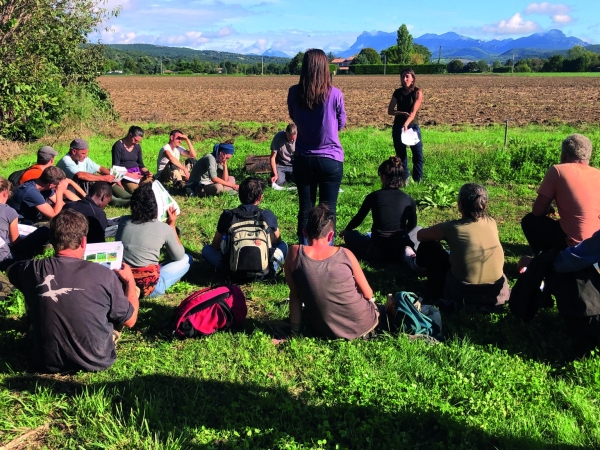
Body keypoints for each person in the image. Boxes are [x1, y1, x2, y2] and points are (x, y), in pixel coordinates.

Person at [7, 209, 139, 373]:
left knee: (32, 292)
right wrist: (130, 282)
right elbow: (131, 321)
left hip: (45, 361)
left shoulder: (31, 269)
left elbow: (11, 271)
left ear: (51, 240)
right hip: (96, 360)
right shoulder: (104, 274)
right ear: (84, 242)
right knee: (132, 295)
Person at [285, 205, 384, 340]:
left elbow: (295, 297)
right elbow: (368, 294)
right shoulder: (345, 253)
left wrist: (294, 334)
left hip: (324, 331)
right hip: (364, 324)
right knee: (396, 304)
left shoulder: (294, 253)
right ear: (331, 235)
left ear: (304, 232)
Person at [414, 183, 509, 312]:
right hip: (495, 293)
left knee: (429, 245)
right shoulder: (491, 222)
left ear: (460, 205)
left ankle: (417, 266)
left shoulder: (451, 227)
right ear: (484, 204)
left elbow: (420, 235)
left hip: (463, 293)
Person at [287, 49, 346, 244]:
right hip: (330, 158)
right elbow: (341, 123)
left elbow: (294, 118)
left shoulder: (294, 93)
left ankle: (304, 252)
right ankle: (326, 253)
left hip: (303, 157)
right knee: (329, 209)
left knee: (305, 208)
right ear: (325, 68)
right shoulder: (335, 94)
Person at [521, 134, 600, 254]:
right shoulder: (597, 174)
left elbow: (537, 211)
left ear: (563, 155)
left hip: (573, 243)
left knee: (530, 221)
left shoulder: (558, 171)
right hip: (596, 241)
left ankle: (546, 260)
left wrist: (546, 209)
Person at [116, 183, 191, 298]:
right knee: (187, 259)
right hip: (150, 287)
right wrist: (171, 225)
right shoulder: (164, 228)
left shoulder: (123, 221)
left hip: (123, 282)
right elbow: (179, 256)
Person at [341, 156, 418, 264]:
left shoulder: (374, 196)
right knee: (418, 230)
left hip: (377, 247)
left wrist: (346, 230)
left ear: (383, 177)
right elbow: (412, 225)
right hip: (399, 244)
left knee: (350, 235)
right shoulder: (409, 199)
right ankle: (407, 253)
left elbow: (358, 219)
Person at [202, 177, 287, 274]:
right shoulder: (267, 214)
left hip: (232, 270)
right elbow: (277, 241)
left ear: (239, 195)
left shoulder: (228, 215)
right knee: (283, 245)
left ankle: (225, 268)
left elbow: (215, 245)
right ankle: (270, 269)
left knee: (207, 250)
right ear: (260, 197)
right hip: (263, 270)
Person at [56, 138, 130, 207]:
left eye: (86, 153)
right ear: (74, 151)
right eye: (83, 153)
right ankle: (115, 201)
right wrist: (103, 178)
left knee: (107, 178)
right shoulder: (66, 161)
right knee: (90, 180)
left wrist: (114, 176)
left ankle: (129, 197)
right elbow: (80, 175)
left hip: (80, 188)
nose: (85, 156)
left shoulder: (83, 158)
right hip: (69, 190)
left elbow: (99, 169)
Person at [0, 177, 50, 270]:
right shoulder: (9, 211)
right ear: (5, 192)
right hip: (5, 260)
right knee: (44, 231)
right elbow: (15, 242)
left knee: (27, 222)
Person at [387, 68, 424, 183]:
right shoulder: (397, 93)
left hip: (412, 127)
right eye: (403, 76)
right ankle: (404, 180)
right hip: (398, 127)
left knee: (417, 155)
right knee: (401, 156)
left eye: (407, 76)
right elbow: (390, 111)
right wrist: (401, 113)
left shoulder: (417, 92)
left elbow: (413, 113)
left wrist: (406, 124)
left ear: (413, 78)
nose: (405, 79)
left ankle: (418, 180)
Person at [18, 145, 86, 201]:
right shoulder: (44, 175)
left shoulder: (32, 169)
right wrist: (83, 203)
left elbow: (69, 181)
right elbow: (65, 192)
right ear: (52, 160)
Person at [111, 125, 152, 193]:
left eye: (138, 141)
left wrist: (147, 172)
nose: (137, 143)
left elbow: (141, 165)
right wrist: (130, 175)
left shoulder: (137, 147)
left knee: (152, 184)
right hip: (125, 176)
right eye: (135, 140)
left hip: (138, 174)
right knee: (136, 190)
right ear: (130, 135)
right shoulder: (118, 146)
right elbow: (115, 168)